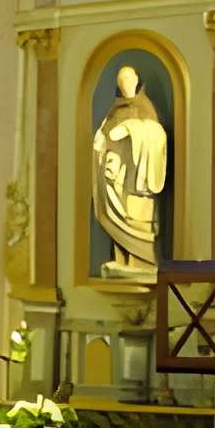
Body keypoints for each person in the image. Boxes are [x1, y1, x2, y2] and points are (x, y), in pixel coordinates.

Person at [90, 66, 168, 278]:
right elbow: (105, 137)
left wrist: (132, 128)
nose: (124, 85)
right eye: (120, 81)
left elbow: (157, 137)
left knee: (139, 220)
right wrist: (100, 140)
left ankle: (142, 264)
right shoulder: (114, 111)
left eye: (128, 80)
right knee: (117, 221)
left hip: (138, 183)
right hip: (118, 185)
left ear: (136, 81)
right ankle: (121, 262)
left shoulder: (146, 108)